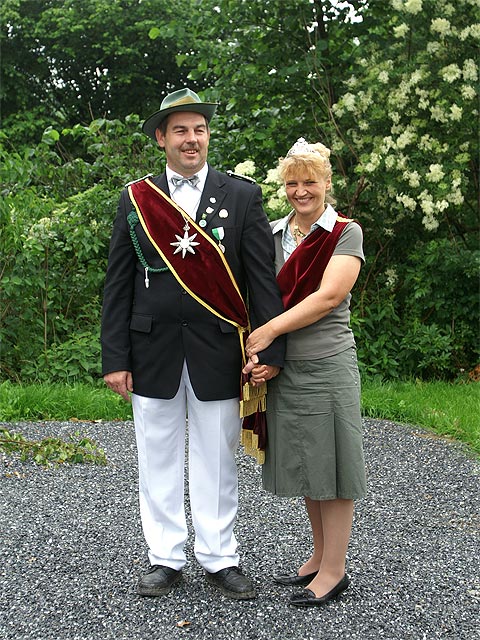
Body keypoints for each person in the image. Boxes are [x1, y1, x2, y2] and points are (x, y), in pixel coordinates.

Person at [101, 88, 284, 600]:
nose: (191, 139)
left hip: (218, 349)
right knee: (156, 454)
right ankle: (164, 556)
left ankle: (220, 556)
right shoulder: (137, 199)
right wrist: (115, 357)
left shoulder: (242, 195)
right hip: (150, 349)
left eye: (199, 129)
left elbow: (260, 283)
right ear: (161, 138)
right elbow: (118, 283)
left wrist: (267, 350)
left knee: (218, 457)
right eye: (180, 130)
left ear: (208, 136)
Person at [243, 137, 367, 607]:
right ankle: (318, 557)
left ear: (326, 183)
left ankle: (335, 570)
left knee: (332, 464)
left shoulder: (345, 233)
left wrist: (268, 331)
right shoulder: (274, 234)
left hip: (327, 363)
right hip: (285, 369)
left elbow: (328, 297)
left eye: (309, 181)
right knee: (306, 462)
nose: (300, 190)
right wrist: (261, 352)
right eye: (292, 182)